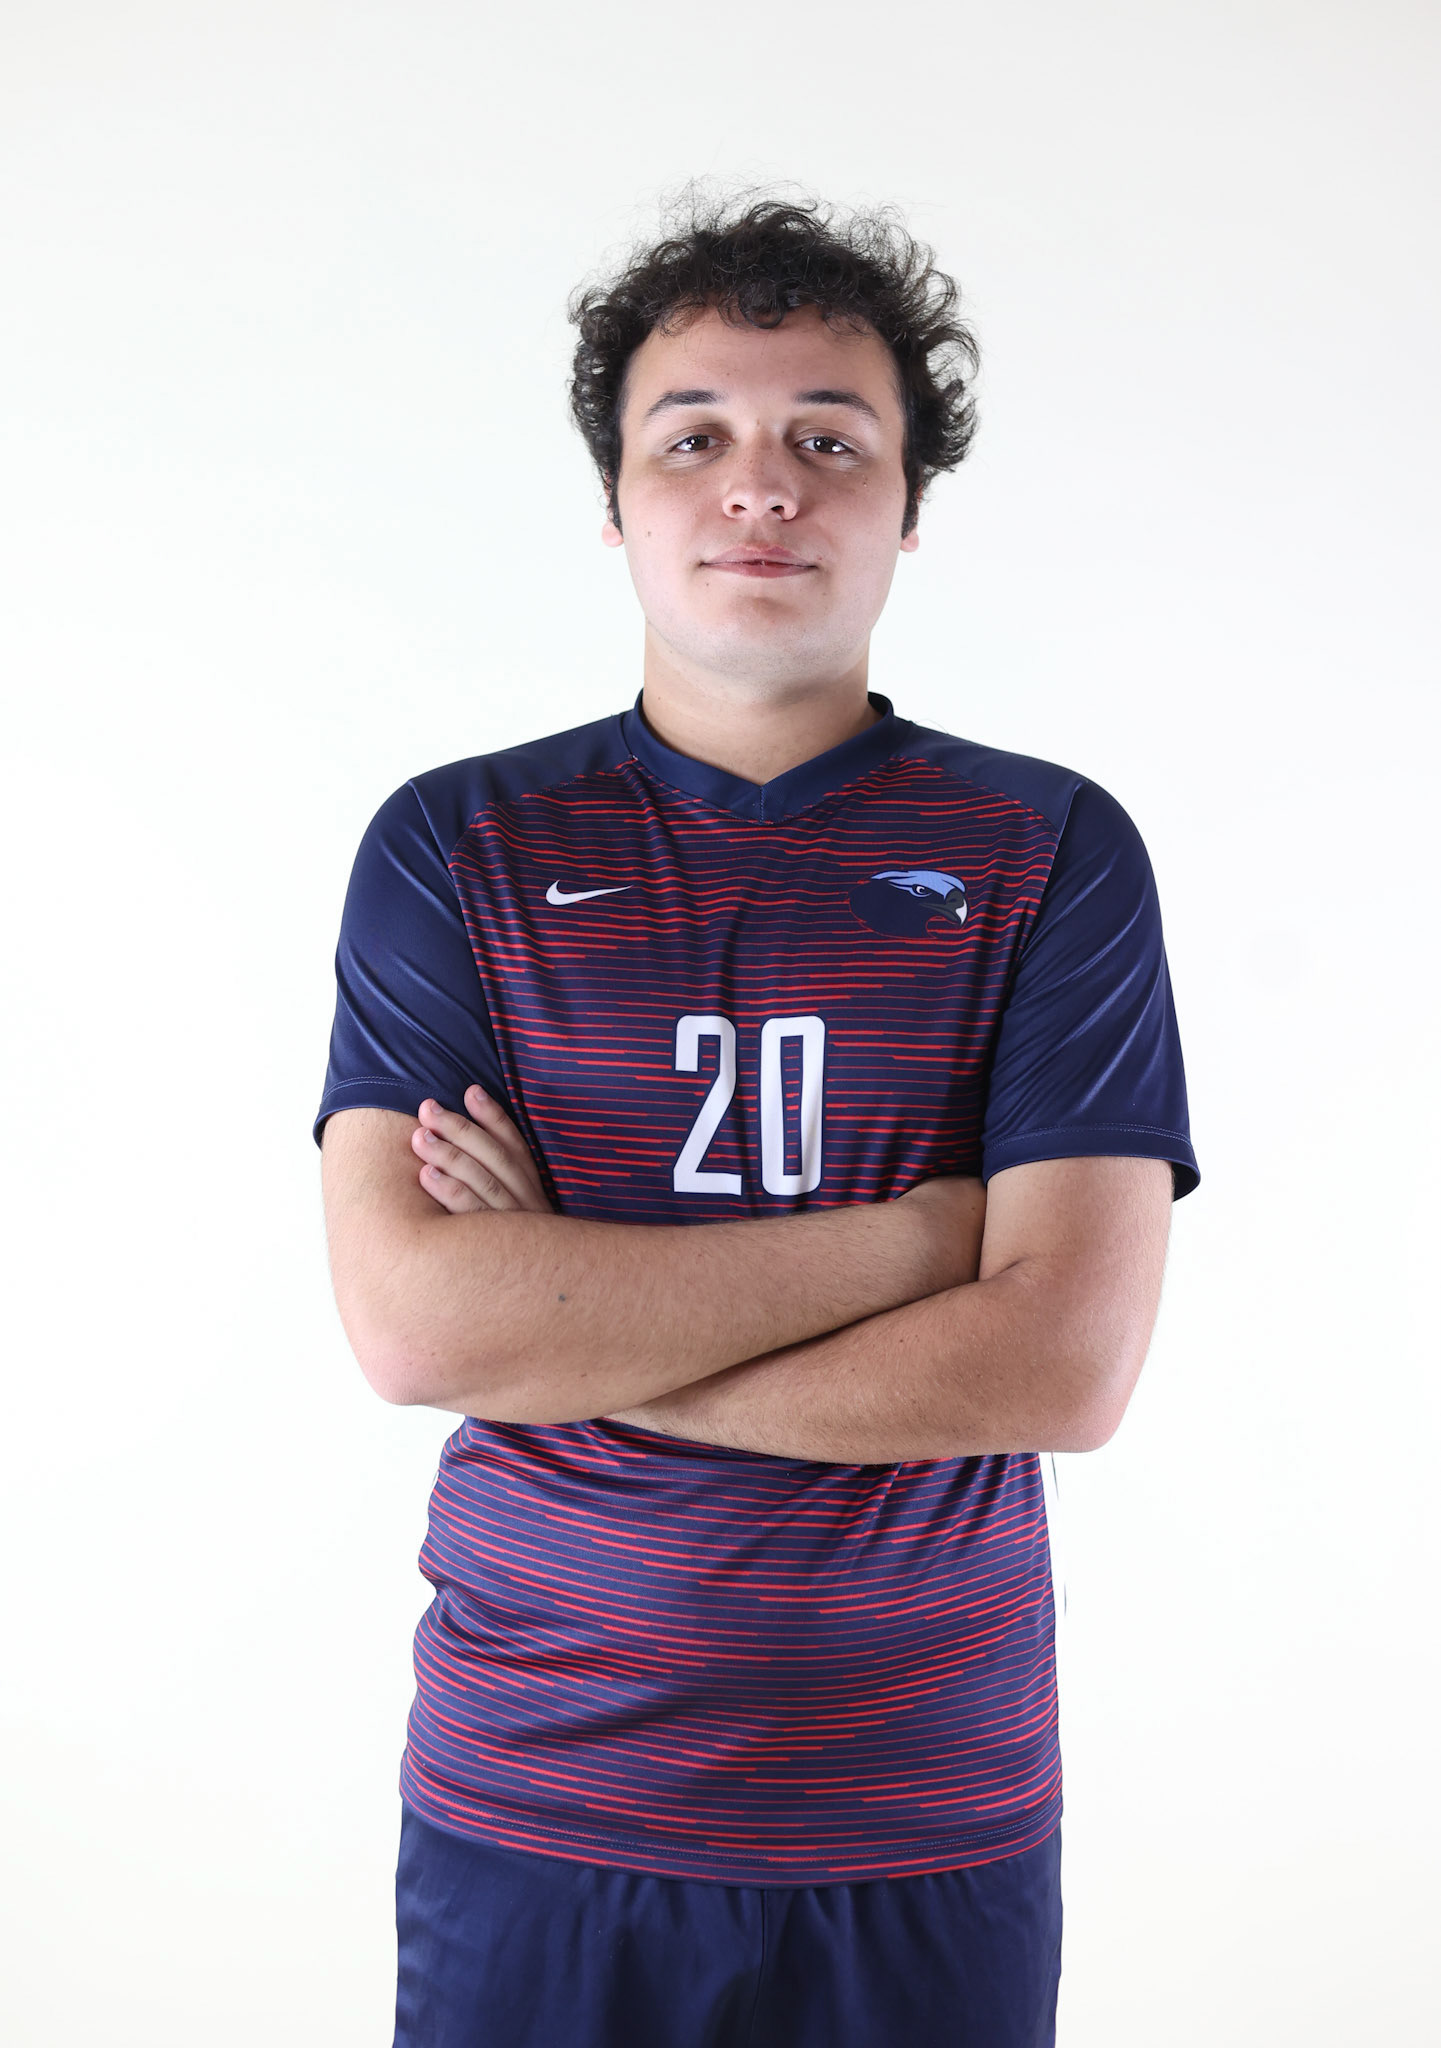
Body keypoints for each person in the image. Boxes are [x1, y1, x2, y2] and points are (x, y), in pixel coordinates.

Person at [314, 187, 1198, 2048]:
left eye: (827, 439)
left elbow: (1062, 1369)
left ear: (904, 500)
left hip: (923, 1812)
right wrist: (922, 1241)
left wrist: (575, 1319)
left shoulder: (1045, 852)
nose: (760, 484)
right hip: (538, 1802)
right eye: (693, 435)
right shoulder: (456, 846)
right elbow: (418, 1328)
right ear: (617, 500)